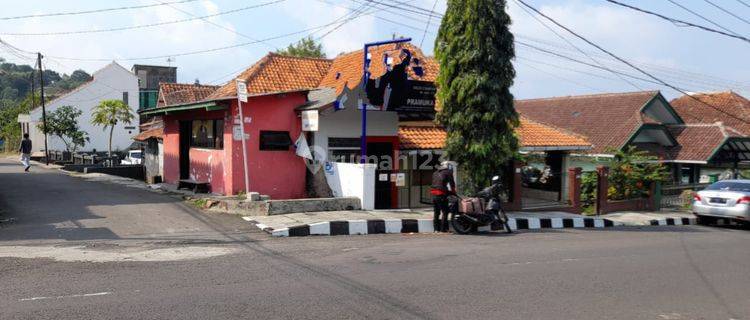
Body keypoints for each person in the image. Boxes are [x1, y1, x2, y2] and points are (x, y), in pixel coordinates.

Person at [431, 162, 456, 232]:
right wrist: (454, 193)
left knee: (436, 212)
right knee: (445, 211)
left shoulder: (435, 173)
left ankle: (436, 229)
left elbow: (436, 184)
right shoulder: (448, 172)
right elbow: (452, 184)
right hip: (441, 194)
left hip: (433, 194)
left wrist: (448, 192)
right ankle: (443, 229)